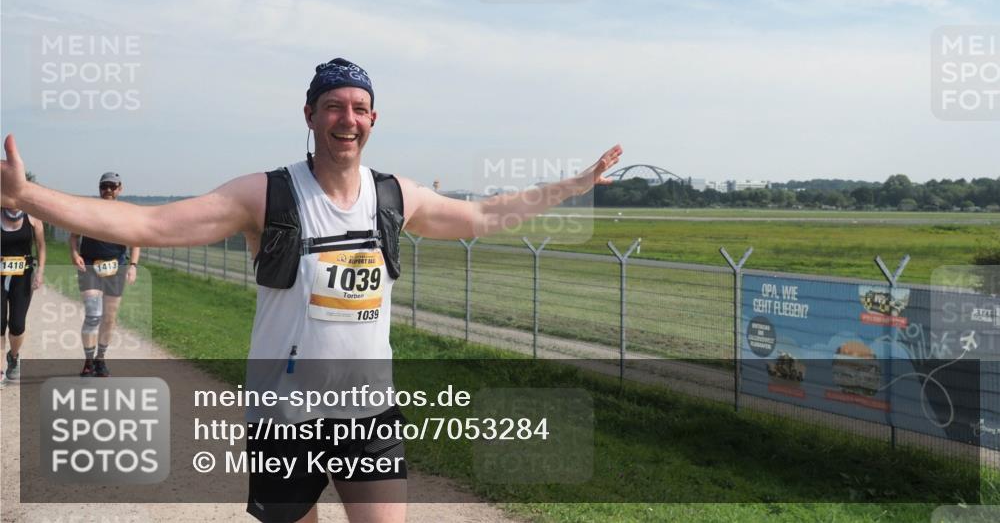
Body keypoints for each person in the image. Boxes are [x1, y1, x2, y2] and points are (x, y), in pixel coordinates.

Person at [1, 57, 622, 523]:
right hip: (284, 417)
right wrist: (28, 197)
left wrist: (573, 186)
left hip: (369, 414)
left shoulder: (393, 197)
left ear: (372, 120)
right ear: (309, 115)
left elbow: (484, 215)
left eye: (358, 107)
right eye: (332, 106)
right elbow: (148, 224)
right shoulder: (266, 194)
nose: (345, 119)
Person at [69, 172, 141, 377]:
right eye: (104, 186)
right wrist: (75, 254)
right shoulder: (89, 211)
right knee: (93, 315)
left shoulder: (127, 214)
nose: (108, 190)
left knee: (109, 318)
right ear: (99, 189)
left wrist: (133, 265)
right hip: (90, 267)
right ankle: (88, 361)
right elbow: (74, 237)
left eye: (112, 186)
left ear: (120, 188)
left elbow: (137, 241)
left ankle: (100, 359)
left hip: (115, 269)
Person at [1, 204, 46, 385]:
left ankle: (13, 356)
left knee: (17, 325)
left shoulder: (33, 218)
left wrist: (40, 272)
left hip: (23, 276)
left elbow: (41, 246)